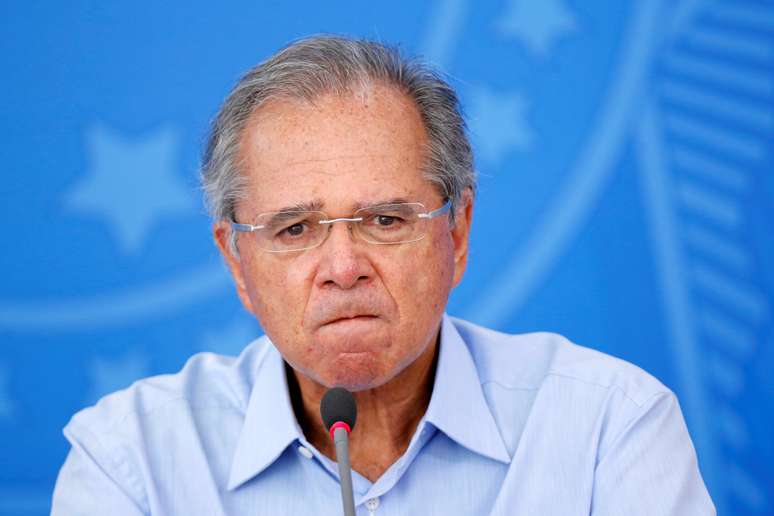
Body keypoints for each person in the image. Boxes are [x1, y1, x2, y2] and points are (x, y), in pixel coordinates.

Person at [52, 35, 715, 515]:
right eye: (294, 230)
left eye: (385, 221)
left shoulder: (608, 427)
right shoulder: (133, 460)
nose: (342, 268)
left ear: (456, 233)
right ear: (237, 263)